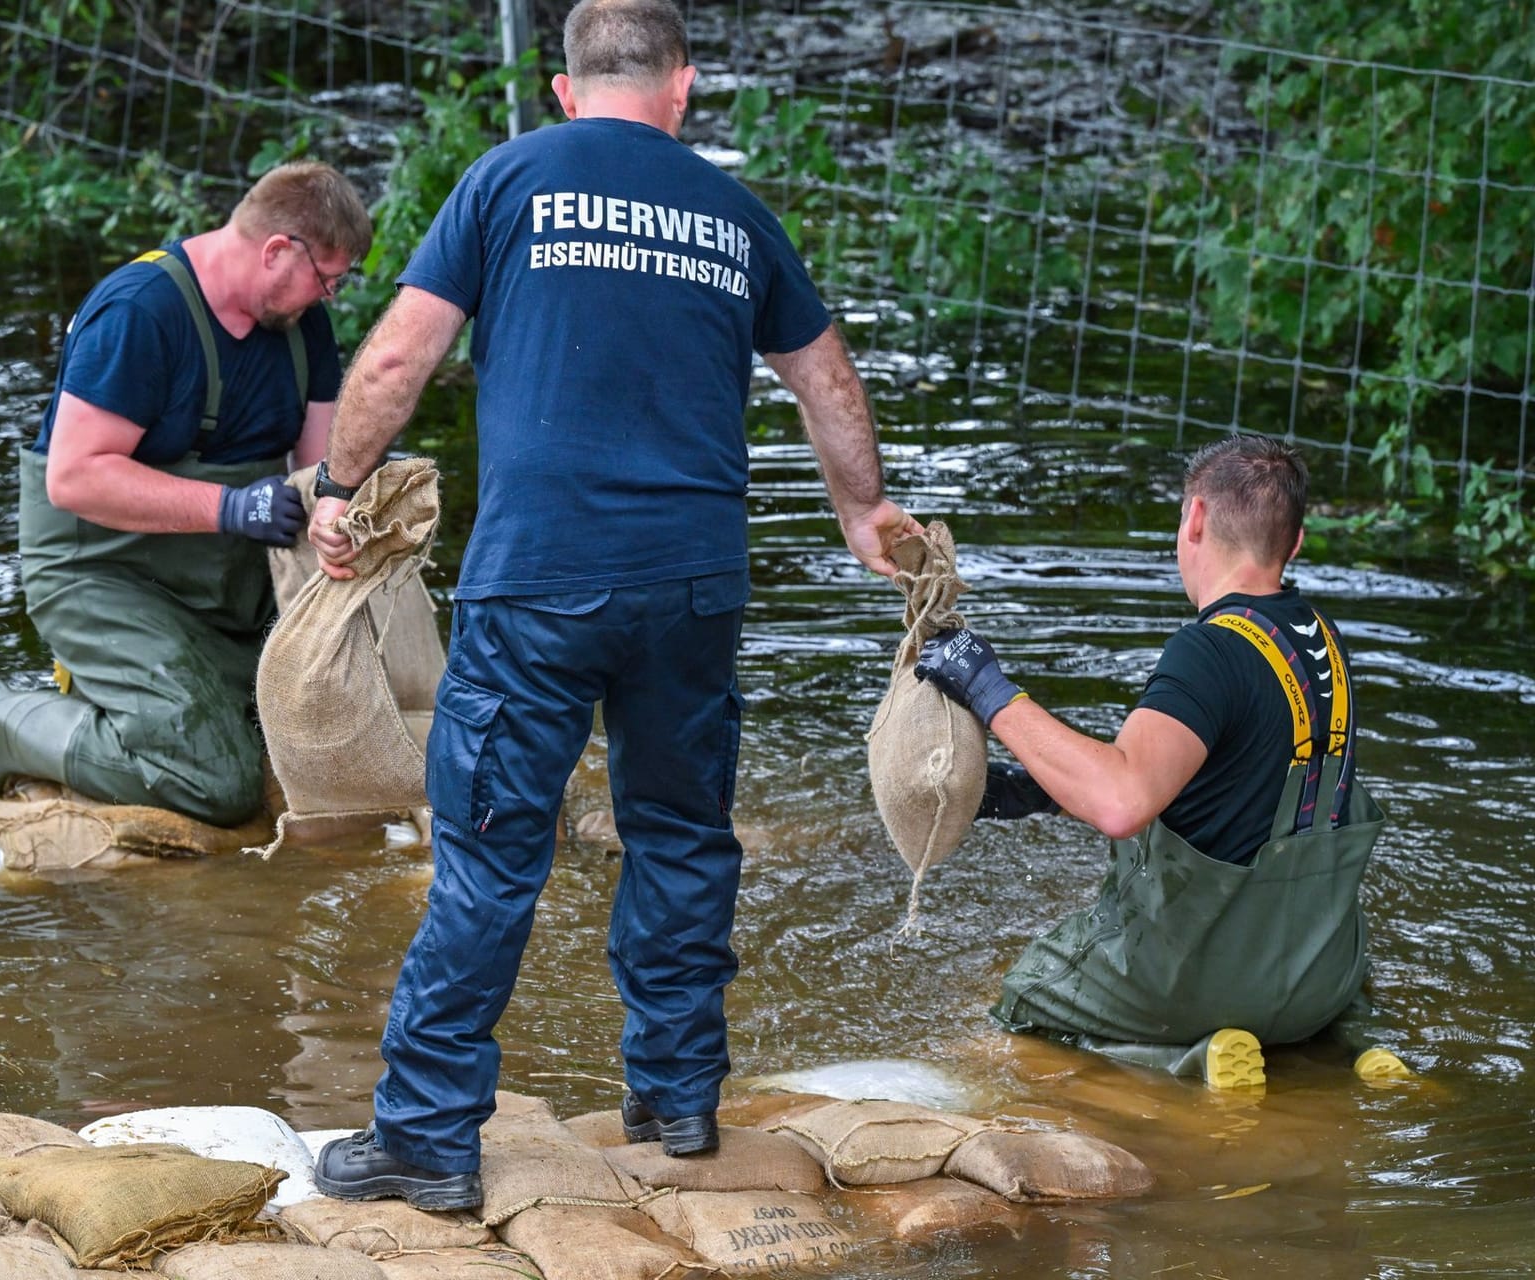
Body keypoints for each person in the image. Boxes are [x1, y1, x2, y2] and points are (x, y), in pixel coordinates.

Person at [306, 0, 921, 1212]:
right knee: (683, 835)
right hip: (692, 585)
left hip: (537, 577)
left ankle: (428, 1134)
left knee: (488, 854)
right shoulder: (736, 215)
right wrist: (865, 515)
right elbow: (827, 377)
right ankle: (678, 1094)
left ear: (565, 88)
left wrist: (337, 488)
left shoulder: (507, 180)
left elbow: (394, 360)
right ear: (681, 89)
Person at [914, 435, 1404, 1089]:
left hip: (1206, 986)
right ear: (1296, 542)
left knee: (1028, 996)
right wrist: (1040, 791)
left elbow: (1122, 802)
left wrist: (987, 689)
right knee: (1324, 959)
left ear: (1195, 519)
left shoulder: (1208, 651)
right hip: (1321, 978)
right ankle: (1362, 1048)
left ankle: (1194, 1057)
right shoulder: (1323, 640)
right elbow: (1238, 789)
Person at [0, 162, 372, 827]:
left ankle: (119, 692)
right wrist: (231, 507)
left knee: (304, 742)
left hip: (224, 587)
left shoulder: (300, 324)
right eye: (328, 278)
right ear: (277, 249)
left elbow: (322, 467)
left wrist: (349, 509)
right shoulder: (141, 311)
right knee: (217, 785)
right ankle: (4, 720)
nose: (331, 297)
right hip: (101, 573)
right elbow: (74, 477)